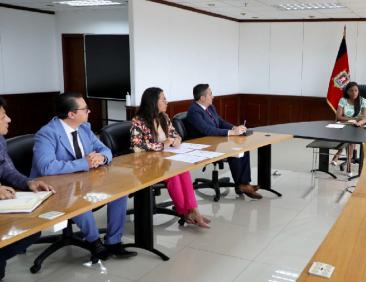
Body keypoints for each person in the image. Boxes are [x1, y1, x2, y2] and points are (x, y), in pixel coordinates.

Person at [31, 92, 136, 261]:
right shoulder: (47, 133)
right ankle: (94, 242)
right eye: (85, 109)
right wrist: (84, 163)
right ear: (71, 114)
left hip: (82, 180)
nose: (89, 112)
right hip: (53, 187)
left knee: (119, 192)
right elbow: (46, 167)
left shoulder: (84, 128)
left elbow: (106, 150)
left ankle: (113, 242)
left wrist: (102, 157)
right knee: (79, 200)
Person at [0, 97, 55, 282]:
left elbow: (6, 170)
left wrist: (29, 182)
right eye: (3, 116)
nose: (9, 119)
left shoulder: (0, 140)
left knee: (32, 229)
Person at [130, 87, 210, 228]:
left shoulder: (164, 117)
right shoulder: (138, 121)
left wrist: (177, 139)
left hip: (165, 160)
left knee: (183, 169)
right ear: (154, 102)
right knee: (173, 174)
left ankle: (193, 209)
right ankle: (184, 212)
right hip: (146, 165)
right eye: (163, 99)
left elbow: (175, 134)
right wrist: (163, 145)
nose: (167, 102)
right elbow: (138, 146)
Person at [185, 83, 262, 199]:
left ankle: (244, 183)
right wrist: (231, 133)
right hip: (204, 145)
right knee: (233, 150)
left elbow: (220, 122)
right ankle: (241, 185)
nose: (213, 96)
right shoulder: (194, 111)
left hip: (216, 141)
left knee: (243, 146)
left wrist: (234, 128)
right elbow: (207, 130)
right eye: (210, 94)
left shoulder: (210, 107)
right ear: (202, 98)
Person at [330, 81, 366, 176]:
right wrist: (353, 119)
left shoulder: (363, 101)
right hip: (345, 125)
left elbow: (365, 118)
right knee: (349, 138)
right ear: (347, 92)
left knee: (350, 140)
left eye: (356, 90)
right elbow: (339, 117)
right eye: (351, 91)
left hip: (358, 127)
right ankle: (347, 164)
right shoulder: (343, 100)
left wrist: (358, 122)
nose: (354, 93)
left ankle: (341, 158)